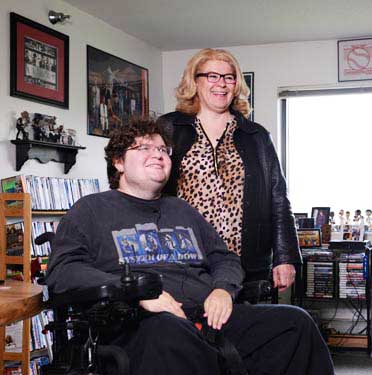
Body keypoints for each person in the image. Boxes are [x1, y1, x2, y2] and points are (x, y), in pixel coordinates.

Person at [45, 118, 334, 375]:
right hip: (140, 322)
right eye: (144, 148)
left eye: (162, 150)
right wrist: (134, 291)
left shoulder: (182, 210)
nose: (157, 155)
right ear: (118, 162)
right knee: (170, 334)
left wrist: (223, 290)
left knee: (295, 324)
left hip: (207, 317)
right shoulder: (91, 209)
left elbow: (225, 259)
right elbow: (63, 271)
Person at [159, 48, 300, 291]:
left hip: (245, 261)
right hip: (184, 259)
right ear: (195, 81)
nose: (221, 84)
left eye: (229, 77)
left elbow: (278, 197)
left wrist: (285, 257)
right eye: (212, 76)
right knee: (188, 326)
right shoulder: (169, 127)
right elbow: (150, 188)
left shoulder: (256, 135)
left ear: (236, 85)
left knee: (244, 327)